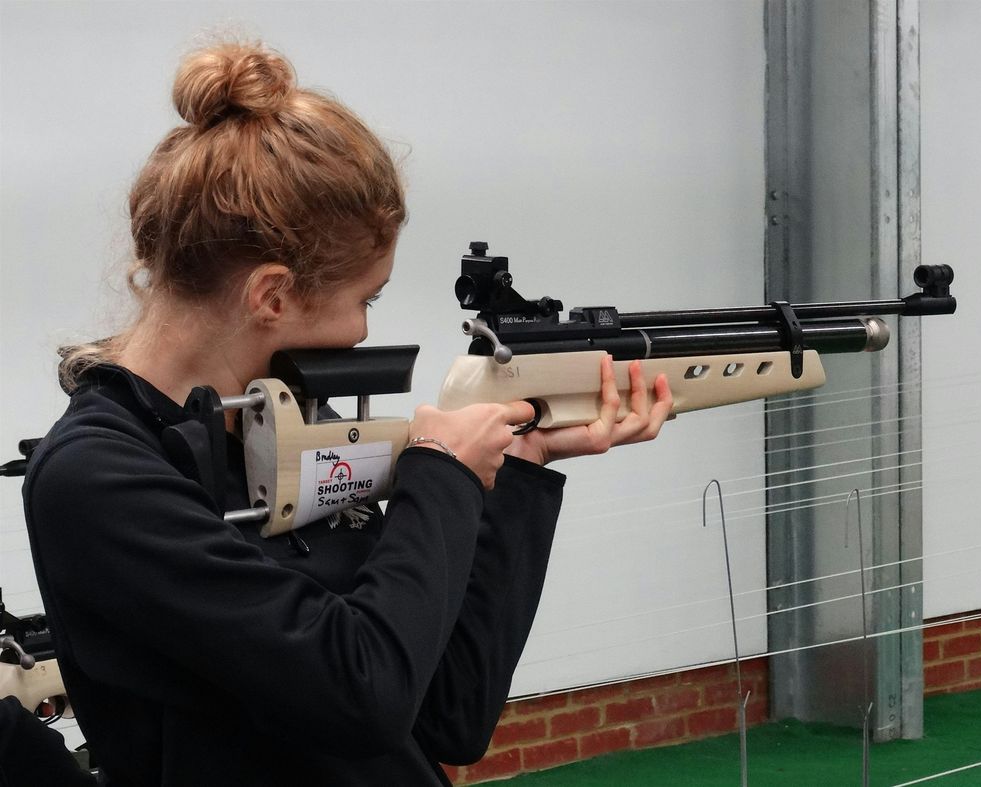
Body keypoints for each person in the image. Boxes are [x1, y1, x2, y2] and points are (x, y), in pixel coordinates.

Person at [20, 41, 672, 786]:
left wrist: (521, 468)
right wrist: (440, 472)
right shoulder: (98, 477)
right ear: (271, 295)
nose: (363, 330)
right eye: (366, 299)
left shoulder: (287, 423)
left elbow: (451, 712)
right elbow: (364, 690)